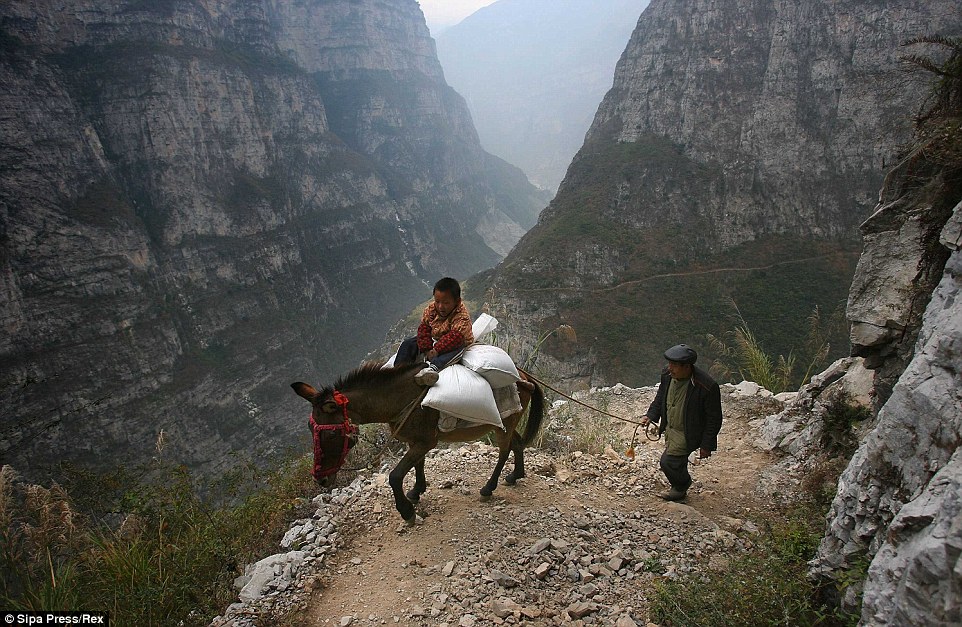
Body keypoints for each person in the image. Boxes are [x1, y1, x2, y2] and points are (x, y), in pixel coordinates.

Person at [640, 344, 722, 502]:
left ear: (687, 367)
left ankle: (681, 487)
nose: (670, 368)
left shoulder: (706, 386)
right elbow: (661, 397)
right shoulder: (667, 375)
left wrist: (706, 445)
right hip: (671, 428)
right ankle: (681, 481)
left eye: (674, 365)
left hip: (688, 432)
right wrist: (650, 415)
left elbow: (714, 419)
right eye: (669, 363)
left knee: (668, 462)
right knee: (676, 461)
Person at [396, 277, 474, 385]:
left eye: (446, 303)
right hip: (435, 339)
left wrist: (436, 350)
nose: (441, 306)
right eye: (437, 301)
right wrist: (427, 348)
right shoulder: (431, 310)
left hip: (456, 343)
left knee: (457, 349)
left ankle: (432, 368)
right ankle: (398, 371)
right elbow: (424, 329)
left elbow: (455, 337)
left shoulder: (461, 316)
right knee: (408, 343)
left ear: (457, 301)